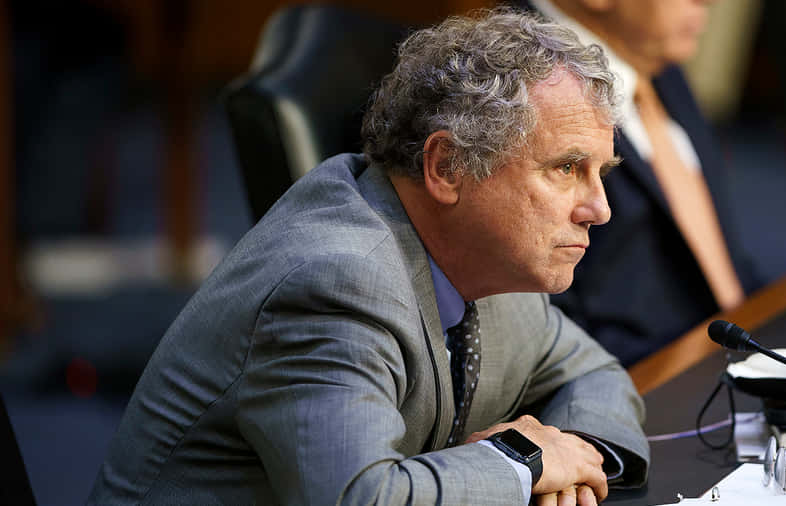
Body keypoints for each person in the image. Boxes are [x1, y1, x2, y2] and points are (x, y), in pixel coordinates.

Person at [88, 9, 649, 506]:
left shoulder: (490, 261)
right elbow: (358, 497)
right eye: (566, 168)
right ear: (448, 168)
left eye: (601, 174)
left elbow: (594, 375)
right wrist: (521, 462)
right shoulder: (335, 283)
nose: (599, 209)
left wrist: (575, 459)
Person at [518, 0, 762, 367]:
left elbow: (723, 257)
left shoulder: (650, 57)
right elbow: (538, 329)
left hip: (735, 344)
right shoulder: (519, 86)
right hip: (638, 383)